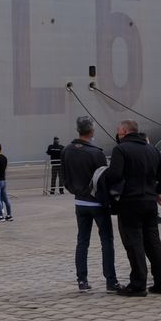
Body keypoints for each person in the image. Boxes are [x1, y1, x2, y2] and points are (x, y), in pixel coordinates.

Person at [105, 120, 161, 297]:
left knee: (133, 242)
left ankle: (138, 283)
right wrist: (156, 190)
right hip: (149, 202)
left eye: (119, 132)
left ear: (125, 132)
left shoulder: (120, 149)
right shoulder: (151, 149)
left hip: (129, 203)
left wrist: (112, 193)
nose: (117, 135)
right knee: (153, 241)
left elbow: (114, 175)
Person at [62, 117, 119, 293]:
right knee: (106, 241)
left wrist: (76, 191)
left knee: (82, 241)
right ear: (92, 130)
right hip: (97, 203)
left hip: (79, 201)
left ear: (77, 130)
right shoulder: (96, 153)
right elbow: (104, 179)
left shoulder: (66, 151)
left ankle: (82, 280)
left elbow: (64, 177)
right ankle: (111, 280)